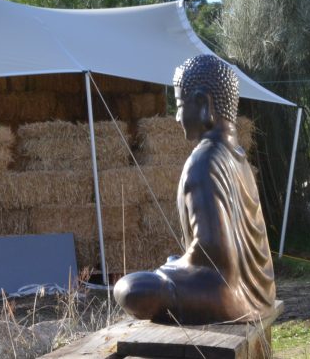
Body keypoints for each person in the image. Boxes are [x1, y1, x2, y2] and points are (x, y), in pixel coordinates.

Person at [113, 55, 276, 324]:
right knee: (164, 268)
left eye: (179, 105)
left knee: (131, 289)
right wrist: (181, 262)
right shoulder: (237, 157)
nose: (177, 117)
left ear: (202, 104)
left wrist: (175, 267)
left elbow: (213, 255)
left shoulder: (203, 161)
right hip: (259, 295)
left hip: (226, 295)